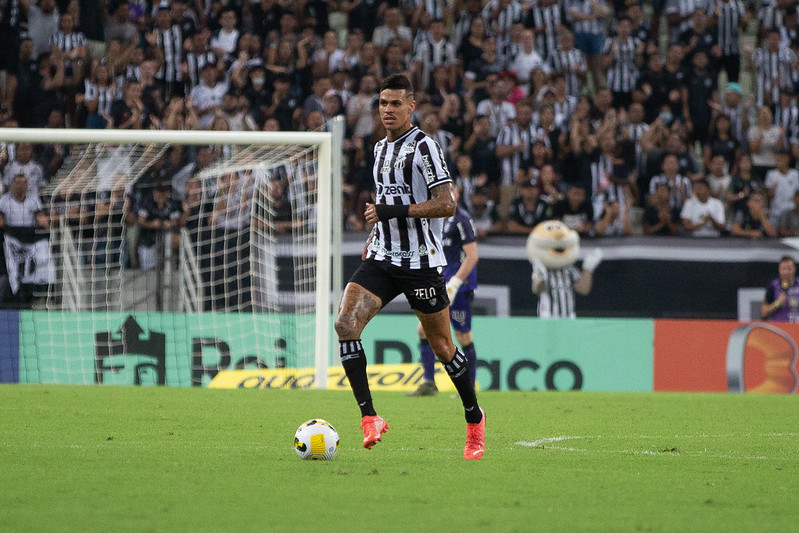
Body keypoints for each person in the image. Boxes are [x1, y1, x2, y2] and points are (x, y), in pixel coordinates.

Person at [333, 74, 485, 460]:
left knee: (443, 346)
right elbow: (386, 199)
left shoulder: (425, 148)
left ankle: (473, 418)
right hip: (383, 256)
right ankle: (370, 417)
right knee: (345, 324)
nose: (387, 109)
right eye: (382, 103)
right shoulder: (380, 149)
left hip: (421, 264)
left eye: (395, 103)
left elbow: (446, 203)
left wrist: (392, 211)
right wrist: (376, 232)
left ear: (411, 106)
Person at [407, 187, 479, 397]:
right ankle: (429, 383)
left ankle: (470, 386)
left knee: (462, 336)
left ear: (457, 194)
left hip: (459, 286)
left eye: (450, 190)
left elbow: (472, 256)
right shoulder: (436, 217)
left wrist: (455, 284)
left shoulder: (462, 219)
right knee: (423, 331)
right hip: (439, 283)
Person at [761, 256, 799, 322]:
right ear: (779, 270)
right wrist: (777, 303)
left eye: (789, 269)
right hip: (779, 329)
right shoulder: (773, 286)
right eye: (784, 269)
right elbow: (763, 313)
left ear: (794, 269)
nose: (786, 272)